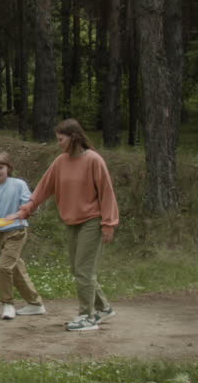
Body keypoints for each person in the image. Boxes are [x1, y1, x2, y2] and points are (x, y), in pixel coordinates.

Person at [10, 119, 118, 332]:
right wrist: (27, 208)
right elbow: (44, 187)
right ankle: (103, 308)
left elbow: (107, 192)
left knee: (84, 271)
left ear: (74, 137)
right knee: (77, 269)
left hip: (92, 221)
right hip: (72, 222)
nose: (58, 143)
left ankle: (87, 317)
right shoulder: (60, 161)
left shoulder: (93, 160)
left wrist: (109, 224)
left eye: (61, 139)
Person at [0, 151, 45, 320]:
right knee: (16, 270)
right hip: (1, 233)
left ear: (8, 168)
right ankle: (35, 304)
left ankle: (7, 304)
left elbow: (31, 206)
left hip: (17, 231)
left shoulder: (18, 184)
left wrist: (16, 215)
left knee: (3, 267)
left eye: (0, 167)